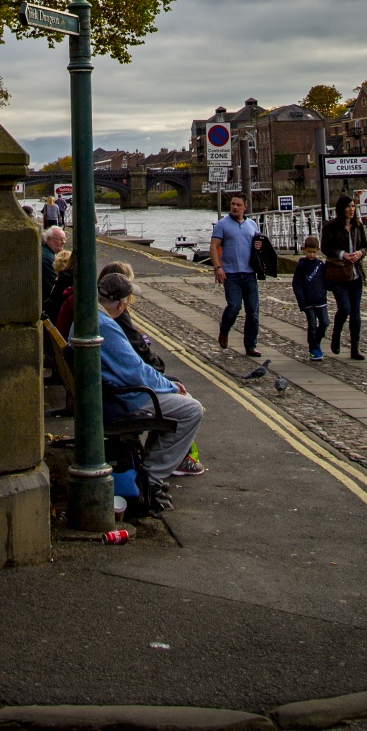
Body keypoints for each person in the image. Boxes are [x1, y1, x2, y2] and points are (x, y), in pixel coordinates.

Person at [92, 272, 203, 510]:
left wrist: (168, 384)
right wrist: (171, 386)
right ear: (121, 305)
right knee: (192, 409)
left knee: (179, 399)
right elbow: (137, 372)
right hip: (124, 400)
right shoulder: (106, 326)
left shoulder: (92, 317)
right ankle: (151, 478)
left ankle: (150, 471)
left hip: (110, 393)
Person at [211, 193, 264, 357]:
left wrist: (259, 245)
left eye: (238, 205)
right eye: (233, 204)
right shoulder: (222, 225)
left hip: (249, 273)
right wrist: (217, 268)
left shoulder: (252, 225)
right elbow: (213, 247)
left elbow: (259, 246)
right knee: (234, 307)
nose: (234, 207)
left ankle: (251, 345)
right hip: (231, 274)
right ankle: (224, 329)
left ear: (245, 207)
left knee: (253, 312)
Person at [321, 192, 367, 360]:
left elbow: (364, 245)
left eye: (353, 206)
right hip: (339, 274)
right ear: (341, 209)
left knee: (355, 312)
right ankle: (336, 335)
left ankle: (355, 347)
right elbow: (325, 247)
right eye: (348, 207)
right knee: (345, 308)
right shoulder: (330, 226)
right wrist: (343, 254)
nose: (352, 210)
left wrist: (359, 253)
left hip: (355, 274)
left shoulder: (358, 226)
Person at [291, 233, 329, 360]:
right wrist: (301, 302)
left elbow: (325, 280)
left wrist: (334, 288)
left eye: (313, 252)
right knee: (312, 325)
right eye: (309, 252)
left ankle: (315, 342)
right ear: (304, 250)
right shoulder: (301, 265)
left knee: (324, 323)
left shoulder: (320, 265)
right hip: (308, 302)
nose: (311, 255)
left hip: (321, 300)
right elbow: (296, 284)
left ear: (318, 251)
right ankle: (313, 349)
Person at [42, 225, 65, 309]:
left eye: (64, 239)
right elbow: (54, 285)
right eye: (60, 239)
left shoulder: (46, 253)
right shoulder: (48, 259)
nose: (63, 242)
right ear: (48, 240)